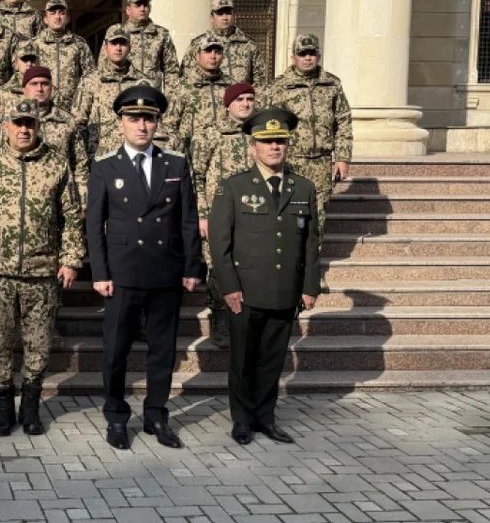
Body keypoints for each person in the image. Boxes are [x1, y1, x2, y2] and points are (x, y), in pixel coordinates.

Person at [86, 85, 204, 451]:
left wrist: (192, 266)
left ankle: (156, 414)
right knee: (116, 348)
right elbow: (94, 223)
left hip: (165, 270)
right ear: (120, 123)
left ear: (157, 123)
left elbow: (188, 220)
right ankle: (116, 416)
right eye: (134, 119)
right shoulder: (105, 166)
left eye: (148, 119)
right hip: (122, 273)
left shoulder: (176, 164)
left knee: (162, 349)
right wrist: (101, 273)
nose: (141, 125)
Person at [0, 98, 83, 436]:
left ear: (38, 126)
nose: (24, 129)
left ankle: (30, 406)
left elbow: (72, 217)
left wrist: (71, 259)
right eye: (18, 123)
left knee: (39, 345)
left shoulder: (56, 165)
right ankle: (3, 405)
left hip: (42, 274)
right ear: (6, 127)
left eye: (30, 123)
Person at [209, 108, 320, 446]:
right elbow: (219, 242)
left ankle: (265, 417)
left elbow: (311, 242)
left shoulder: (304, 187)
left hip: (284, 291)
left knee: (272, 360)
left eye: (280, 141)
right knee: (243, 360)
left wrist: (309, 286)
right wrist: (229, 287)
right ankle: (242, 420)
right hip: (245, 292)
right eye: (267, 141)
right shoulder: (233, 187)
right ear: (253, 146)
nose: (275, 147)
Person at [262, 33, 353, 234]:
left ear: (318, 56)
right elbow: (267, 126)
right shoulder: (279, 86)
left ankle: (312, 262)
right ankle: (292, 262)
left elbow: (343, 121)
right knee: (290, 213)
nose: (307, 58)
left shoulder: (332, 85)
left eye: (311, 53)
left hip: (321, 162)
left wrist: (343, 157)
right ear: (293, 57)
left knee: (317, 215)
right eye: (302, 53)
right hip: (291, 161)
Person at [192, 82, 257, 347]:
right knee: (219, 268)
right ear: (228, 104)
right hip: (217, 212)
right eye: (239, 99)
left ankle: (246, 319)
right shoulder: (209, 133)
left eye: (249, 98)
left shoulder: (261, 132)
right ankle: (220, 321)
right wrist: (202, 215)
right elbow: (196, 175)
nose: (245, 103)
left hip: (253, 212)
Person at [0, 66, 87, 198]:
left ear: (51, 87)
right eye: (34, 84)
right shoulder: (12, 120)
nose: (39, 88)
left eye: (44, 83)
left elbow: (80, 163)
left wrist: (82, 198)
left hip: (58, 195)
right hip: (18, 193)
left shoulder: (67, 121)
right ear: (24, 89)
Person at [74, 26, 146, 159]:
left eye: (123, 43)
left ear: (129, 47)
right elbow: (78, 122)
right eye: (114, 43)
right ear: (106, 46)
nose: (118, 48)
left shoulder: (141, 83)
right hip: (100, 156)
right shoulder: (91, 81)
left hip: (135, 155)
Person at [99, 0, 179, 93]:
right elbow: (103, 65)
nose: (142, 8)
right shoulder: (118, 34)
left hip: (152, 96)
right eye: (138, 5)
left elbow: (171, 70)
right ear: (128, 10)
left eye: (145, 5)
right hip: (123, 94)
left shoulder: (161, 34)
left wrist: (170, 98)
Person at [182, 0, 268, 90]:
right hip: (208, 100)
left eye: (228, 13)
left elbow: (260, 79)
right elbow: (186, 76)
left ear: (234, 16)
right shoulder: (198, 44)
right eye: (220, 13)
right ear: (211, 17)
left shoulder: (249, 44)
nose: (225, 17)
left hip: (239, 100)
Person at [32, 0, 96, 111]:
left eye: (62, 13)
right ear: (45, 19)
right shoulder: (34, 44)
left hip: (72, 109)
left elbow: (90, 77)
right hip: (41, 108)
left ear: (67, 18)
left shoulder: (79, 44)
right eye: (53, 13)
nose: (57, 17)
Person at [172, 34, 229, 157]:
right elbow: (170, 124)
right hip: (192, 155)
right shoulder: (183, 86)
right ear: (197, 56)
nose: (213, 56)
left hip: (223, 155)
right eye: (208, 51)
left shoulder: (231, 86)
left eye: (217, 52)